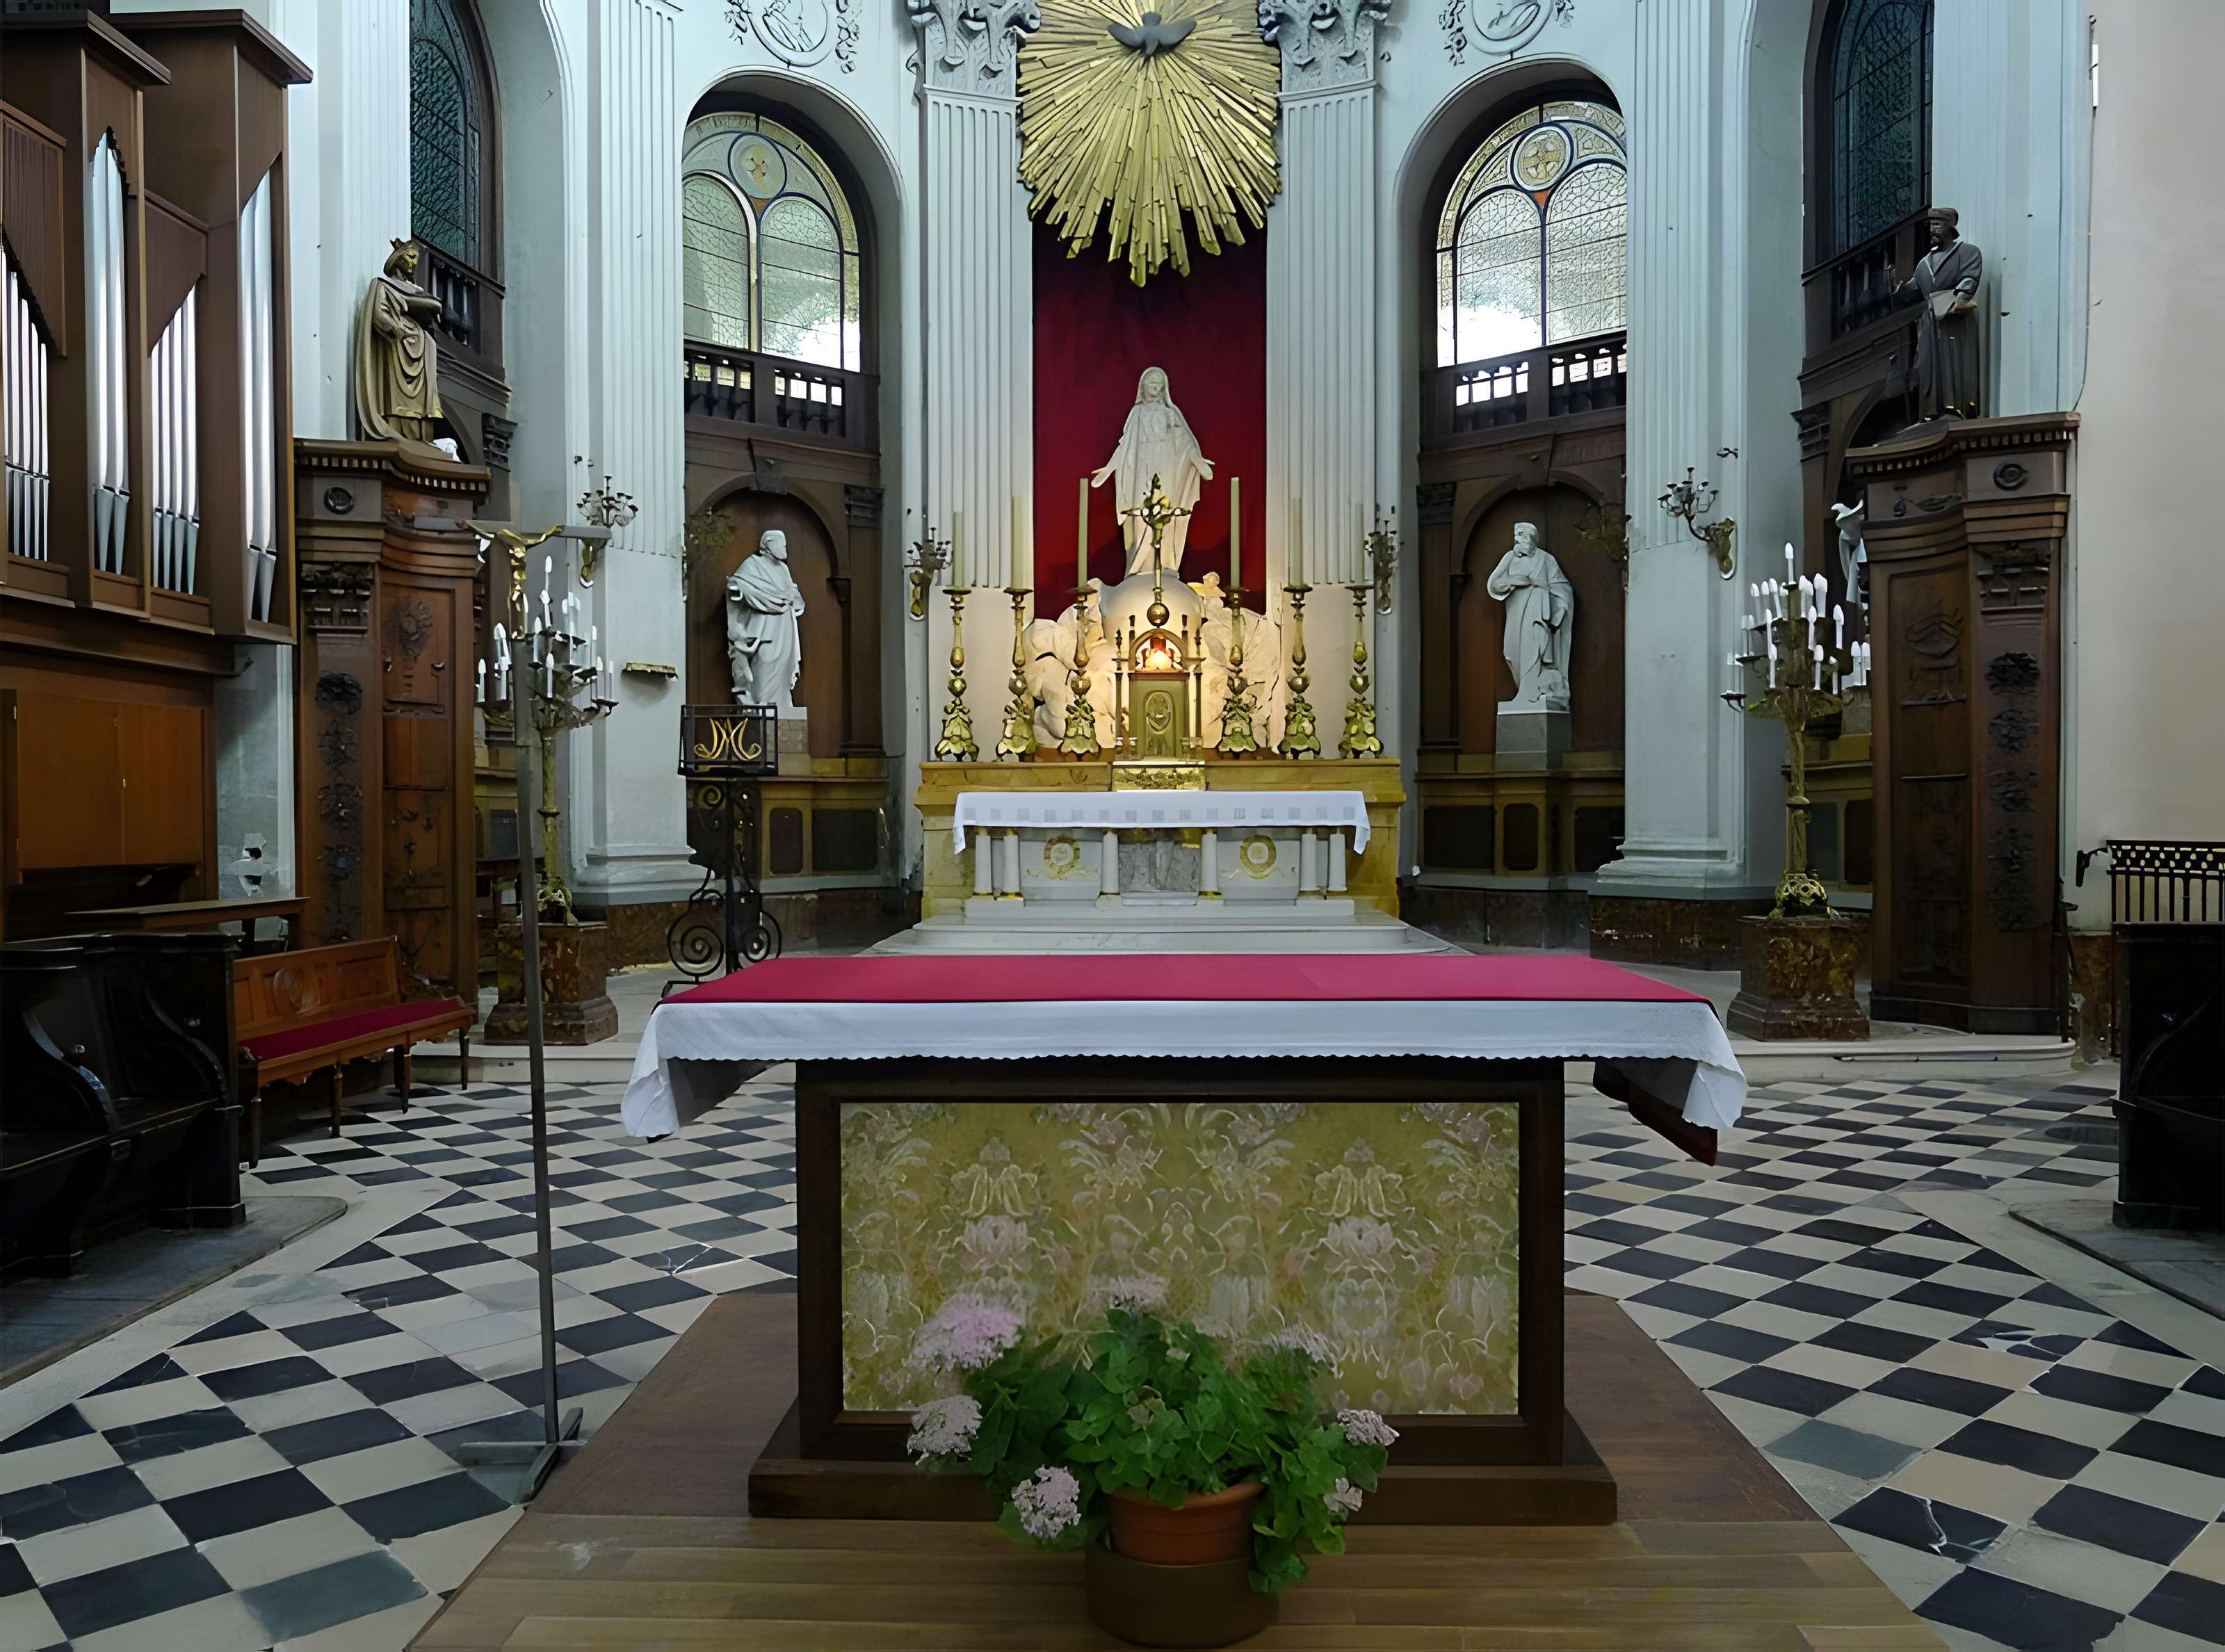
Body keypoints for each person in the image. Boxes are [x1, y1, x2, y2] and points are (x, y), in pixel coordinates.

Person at [1092, 366, 1213, 577]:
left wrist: (1198, 462)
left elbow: (1185, 443)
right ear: (1143, 387)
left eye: (1159, 385)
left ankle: (1165, 564)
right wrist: (1109, 469)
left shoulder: (1170, 413)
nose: (1155, 389)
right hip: (1142, 466)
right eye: (1151, 384)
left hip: (1167, 465)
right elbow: (1126, 445)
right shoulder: (1137, 413)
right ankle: (1140, 566)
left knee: (1165, 511)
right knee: (1140, 513)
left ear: (1164, 388)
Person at [1485, 522, 1573, 709]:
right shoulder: (1510, 557)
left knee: (1535, 647)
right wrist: (1514, 581)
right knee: (1510, 652)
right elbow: (1494, 583)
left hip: (1539, 612)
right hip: (1516, 611)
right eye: (1518, 534)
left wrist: (1558, 607)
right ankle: (1525, 692)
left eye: (1525, 534)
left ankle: (1531, 693)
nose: (1521, 537)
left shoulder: (1545, 559)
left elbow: (1562, 586)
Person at [726, 530, 807, 712]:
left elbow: (791, 596)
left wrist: (793, 597)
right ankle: (760, 705)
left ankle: (781, 705)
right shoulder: (752, 565)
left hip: (784, 627)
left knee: (783, 667)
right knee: (765, 661)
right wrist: (741, 591)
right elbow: (736, 585)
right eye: (780, 543)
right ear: (768, 544)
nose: (784, 548)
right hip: (763, 628)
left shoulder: (783, 569)